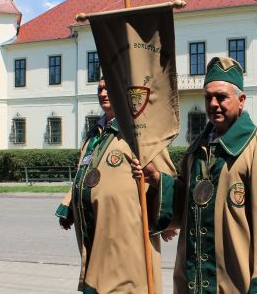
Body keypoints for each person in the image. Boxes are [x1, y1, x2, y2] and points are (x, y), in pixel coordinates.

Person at [131, 57, 257, 293]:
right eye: (208, 97)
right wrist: (158, 180)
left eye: (221, 97)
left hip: (237, 281)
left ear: (241, 101)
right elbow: (186, 203)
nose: (214, 103)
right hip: (193, 281)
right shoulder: (196, 151)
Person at [55, 77, 176, 293]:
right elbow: (83, 172)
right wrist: (69, 206)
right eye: (99, 89)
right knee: (98, 279)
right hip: (99, 230)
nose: (103, 93)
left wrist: (167, 219)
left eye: (108, 88)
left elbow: (167, 178)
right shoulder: (94, 134)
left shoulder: (140, 131)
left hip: (128, 236)